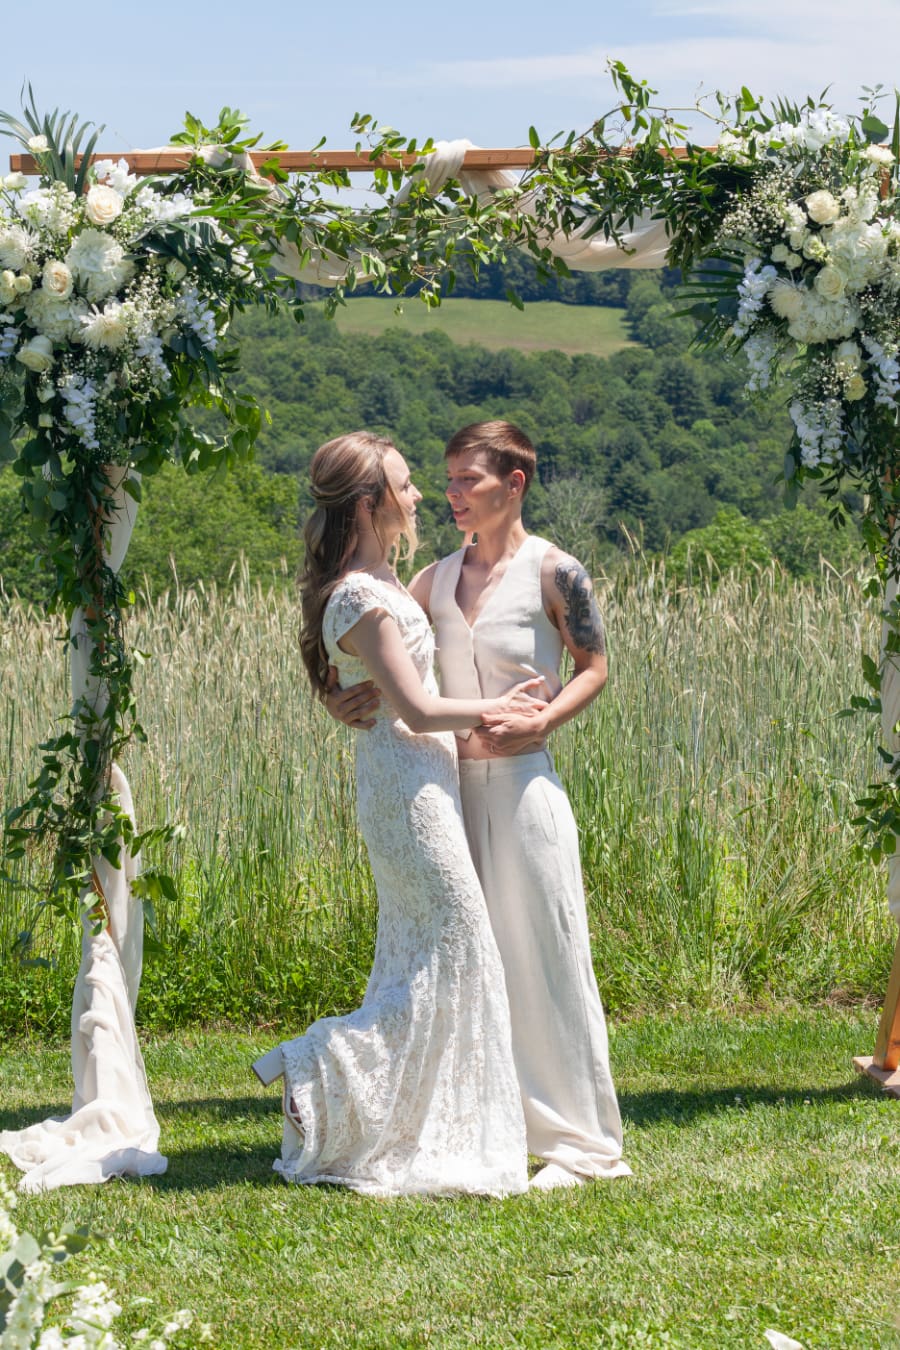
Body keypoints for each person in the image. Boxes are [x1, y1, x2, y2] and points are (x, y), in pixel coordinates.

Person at [328, 421, 631, 1190]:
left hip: (525, 789)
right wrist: (333, 699)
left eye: (469, 480)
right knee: (478, 965)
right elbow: (368, 641)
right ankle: (492, 1122)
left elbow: (596, 668)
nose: (453, 494)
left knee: (547, 955)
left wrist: (544, 718)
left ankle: (583, 1145)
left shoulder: (556, 572)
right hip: (448, 795)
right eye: (448, 480)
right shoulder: (429, 578)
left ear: (515, 483)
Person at [251, 430, 541, 1196]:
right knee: (458, 946)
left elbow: (367, 678)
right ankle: (315, 1064)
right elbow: (412, 706)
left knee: (432, 958)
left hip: (423, 782)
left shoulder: (385, 583)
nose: (422, 497)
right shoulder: (356, 593)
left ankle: (386, 1116)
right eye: (408, 485)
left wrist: (331, 694)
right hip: (407, 793)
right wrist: (500, 707)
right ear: (372, 502)